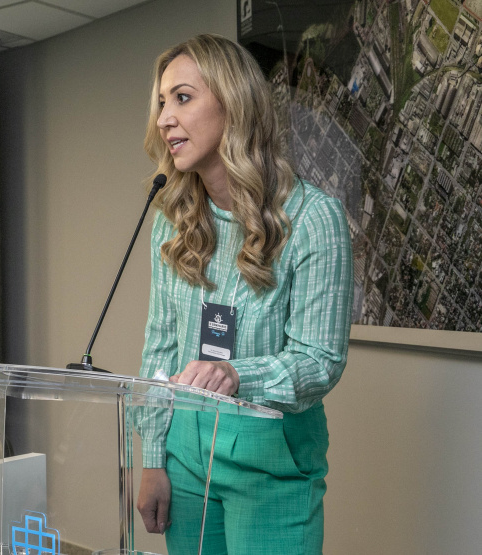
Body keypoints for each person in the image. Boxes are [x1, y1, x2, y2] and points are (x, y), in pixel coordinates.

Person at [135, 34, 354, 554]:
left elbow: (319, 361)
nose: (165, 117)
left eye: (182, 98)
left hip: (271, 471)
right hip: (185, 465)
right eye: (162, 102)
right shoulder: (173, 222)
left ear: (233, 102)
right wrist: (149, 459)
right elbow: (160, 350)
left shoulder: (313, 219)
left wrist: (238, 374)